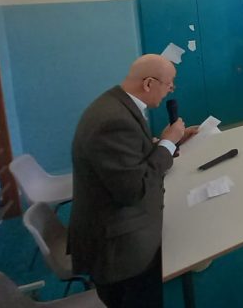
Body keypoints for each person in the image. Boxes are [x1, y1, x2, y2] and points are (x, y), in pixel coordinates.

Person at [69, 54, 195, 308]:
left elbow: (128, 156)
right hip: (118, 250)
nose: (171, 90)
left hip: (116, 232)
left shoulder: (116, 104)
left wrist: (165, 144)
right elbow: (134, 189)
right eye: (169, 84)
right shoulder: (112, 121)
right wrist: (168, 142)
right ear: (149, 83)